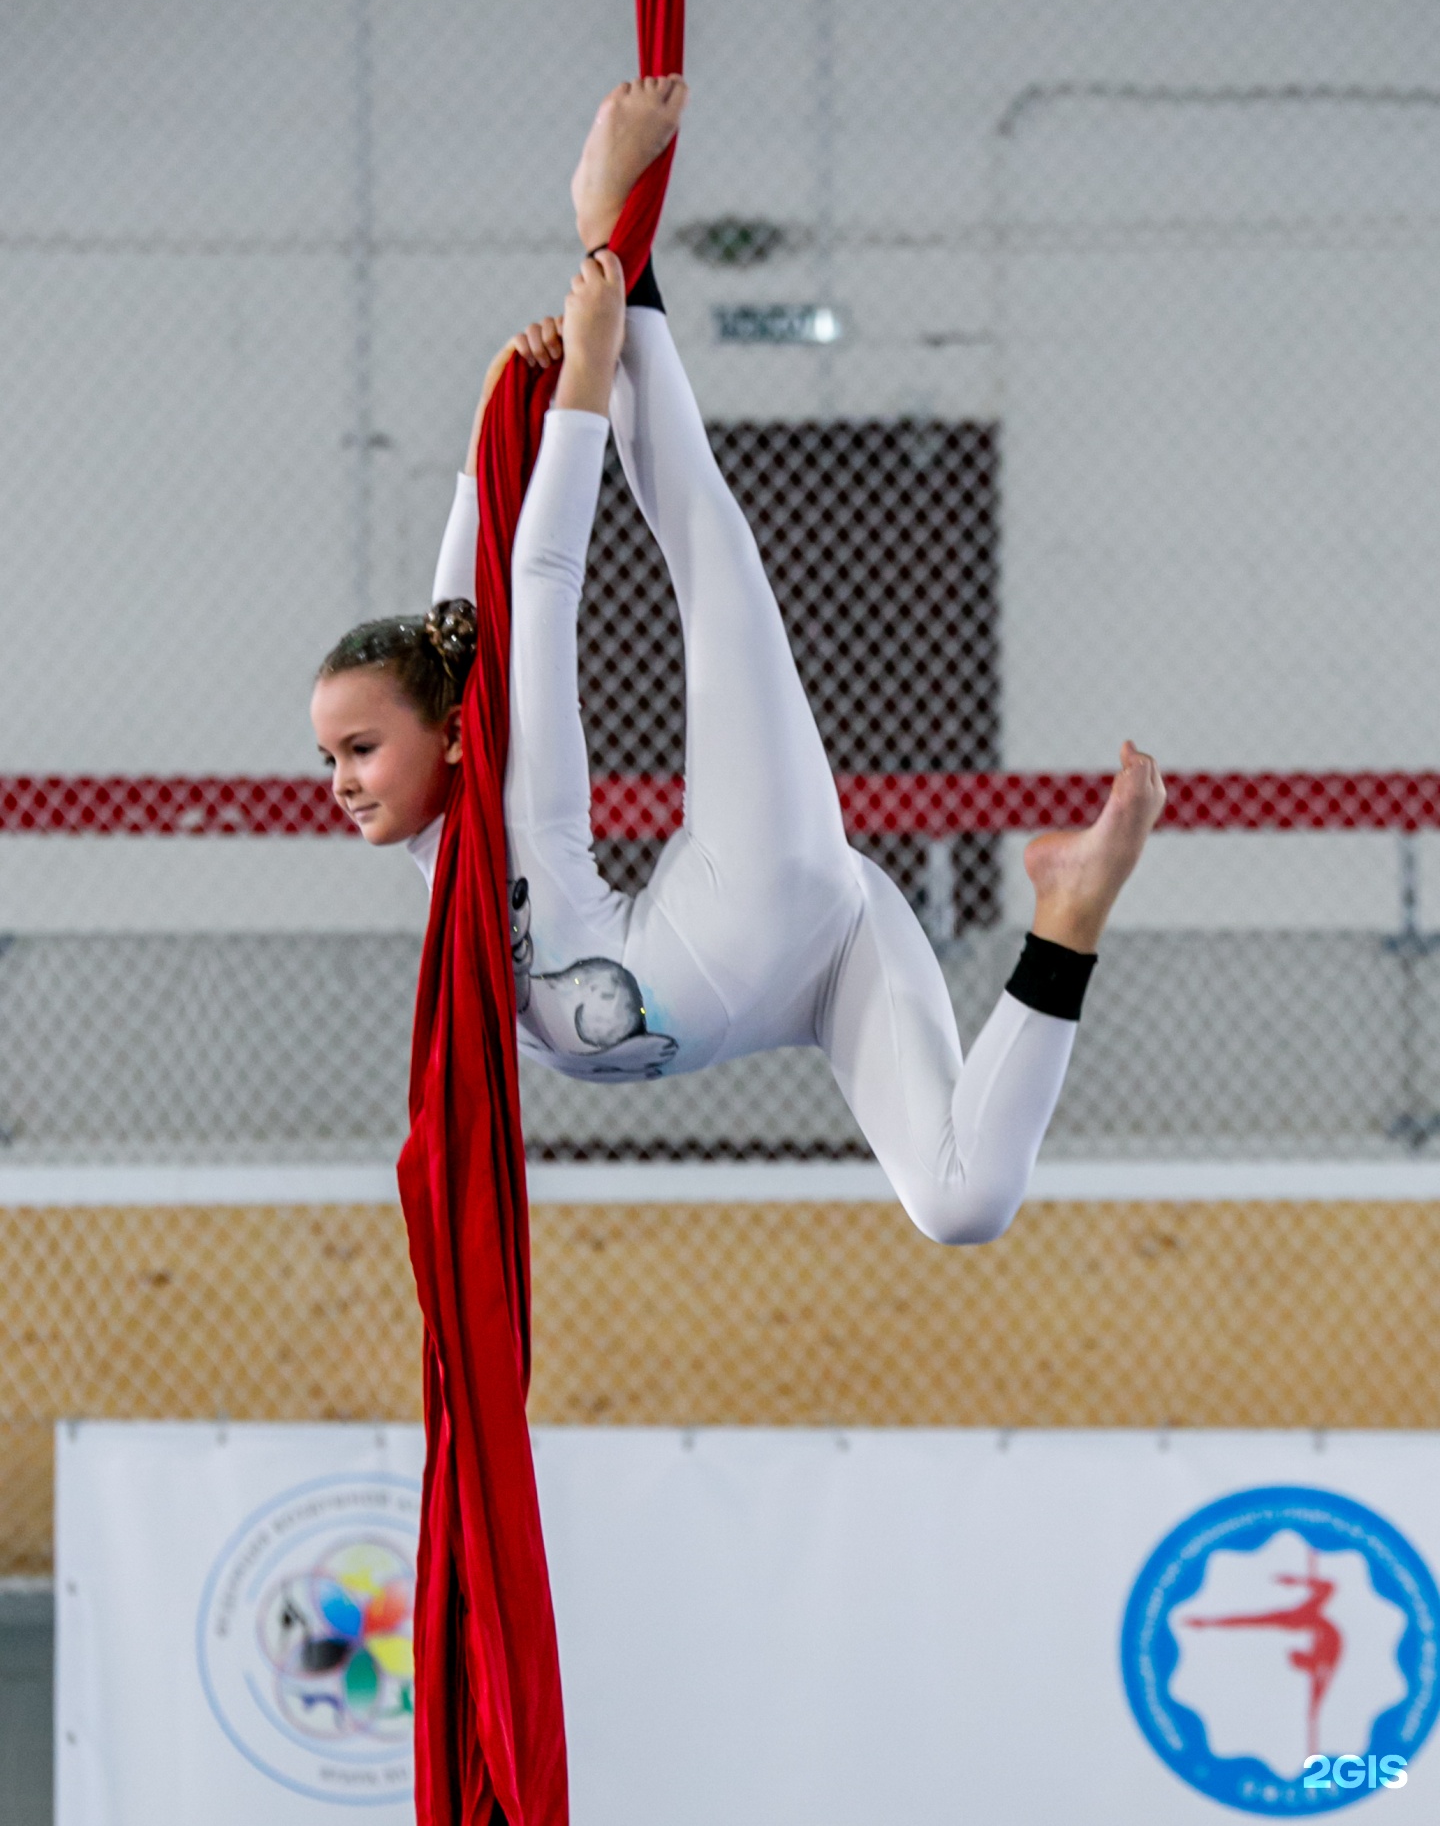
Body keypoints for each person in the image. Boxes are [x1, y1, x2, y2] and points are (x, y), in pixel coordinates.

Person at [311, 77, 1166, 1244]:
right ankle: (1068, 914)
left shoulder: (505, 804)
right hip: (811, 963)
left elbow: (538, 589)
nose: (344, 779)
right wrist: (498, 422)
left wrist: (570, 395)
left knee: (712, 559)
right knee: (967, 1204)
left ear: (448, 734)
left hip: (748, 907)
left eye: (358, 748)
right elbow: (455, 615)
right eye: (331, 758)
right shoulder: (446, 862)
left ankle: (613, 231)